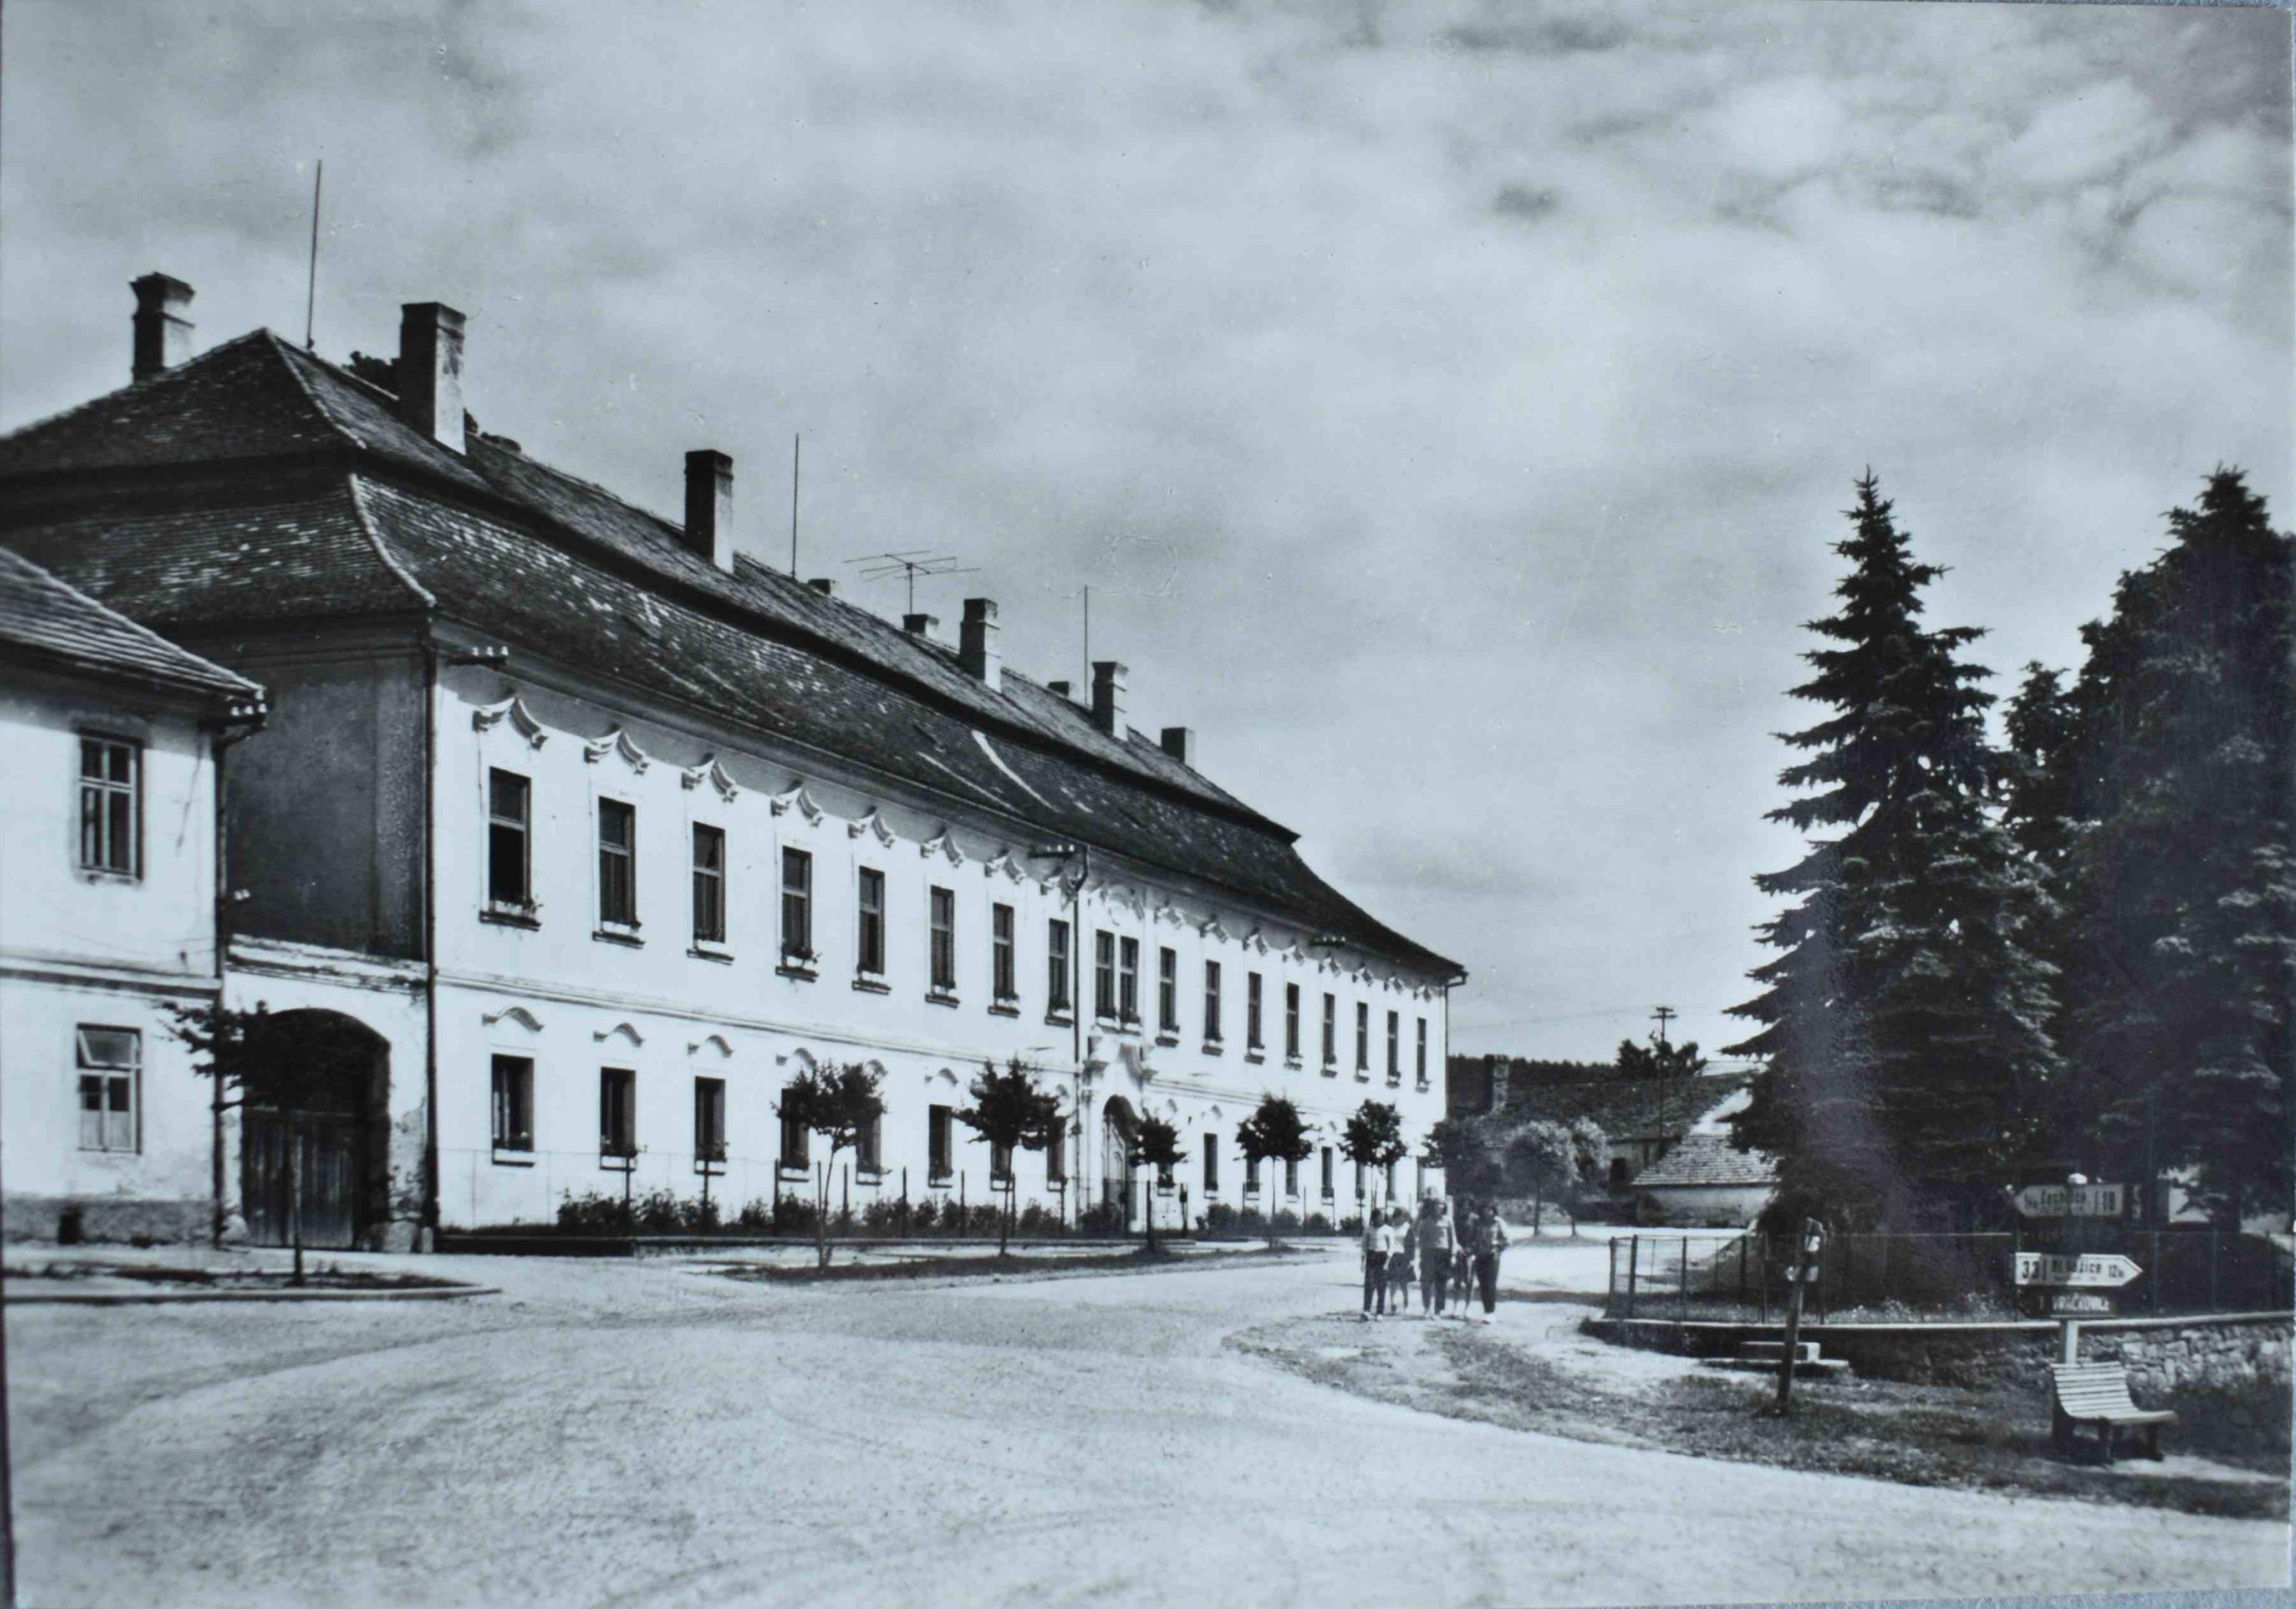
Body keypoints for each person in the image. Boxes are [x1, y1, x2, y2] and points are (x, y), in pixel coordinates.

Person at [1467, 1202, 1509, 1322]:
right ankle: (1486, 1310)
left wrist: (1498, 1245)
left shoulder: (1498, 1222)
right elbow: (1471, 1238)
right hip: (1480, 1255)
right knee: (1482, 1284)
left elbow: (1507, 1240)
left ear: (1493, 1211)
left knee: (1490, 1284)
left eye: (1490, 1209)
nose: (1487, 1212)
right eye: (1485, 1209)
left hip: (1493, 1256)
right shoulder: (1477, 1223)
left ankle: (1490, 1313)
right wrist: (1471, 1248)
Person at [1417, 1196, 1454, 1316]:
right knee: (1426, 1283)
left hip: (1443, 1254)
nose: (1439, 1207)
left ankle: (1438, 1311)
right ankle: (1426, 1308)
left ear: (1444, 1207)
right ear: (1432, 1207)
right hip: (1428, 1254)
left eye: (1441, 1205)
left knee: (1441, 1283)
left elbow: (1453, 1239)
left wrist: (1452, 1255)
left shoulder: (1448, 1221)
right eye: (1436, 1205)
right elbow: (1419, 1237)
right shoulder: (1425, 1221)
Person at [1360, 1204, 1391, 1319]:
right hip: (1371, 1256)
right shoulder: (1368, 1230)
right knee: (1369, 1284)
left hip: (1383, 1257)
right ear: (1374, 1218)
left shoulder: (1388, 1230)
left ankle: (1379, 1312)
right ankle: (1367, 1310)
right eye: (1378, 1217)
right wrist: (1363, 1262)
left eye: (1382, 1217)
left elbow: (1390, 1248)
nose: (1380, 1219)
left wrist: (1387, 1262)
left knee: (1381, 1285)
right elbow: (1364, 1246)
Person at [1385, 1204, 1414, 1312]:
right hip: (1392, 1256)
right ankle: (1393, 1303)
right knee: (1392, 1282)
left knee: (1403, 1283)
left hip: (1403, 1257)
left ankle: (1406, 1301)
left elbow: (1411, 1245)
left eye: (1403, 1216)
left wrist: (1411, 1260)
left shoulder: (1407, 1228)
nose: (1400, 1219)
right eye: (1398, 1216)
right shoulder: (1390, 1227)